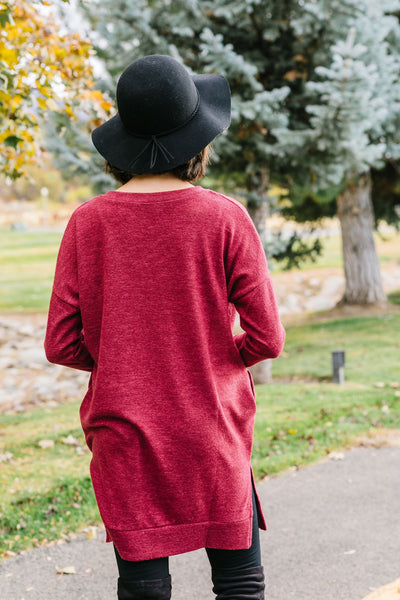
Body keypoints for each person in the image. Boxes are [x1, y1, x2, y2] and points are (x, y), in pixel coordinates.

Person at [44, 54, 285, 600]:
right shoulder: (225, 217)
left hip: (126, 434)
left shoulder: (87, 223)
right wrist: (214, 352)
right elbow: (268, 338)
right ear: (197, 140)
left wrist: (126, 356)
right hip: (211, 430)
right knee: (240, 585)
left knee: (144, 589)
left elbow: (60, 342)